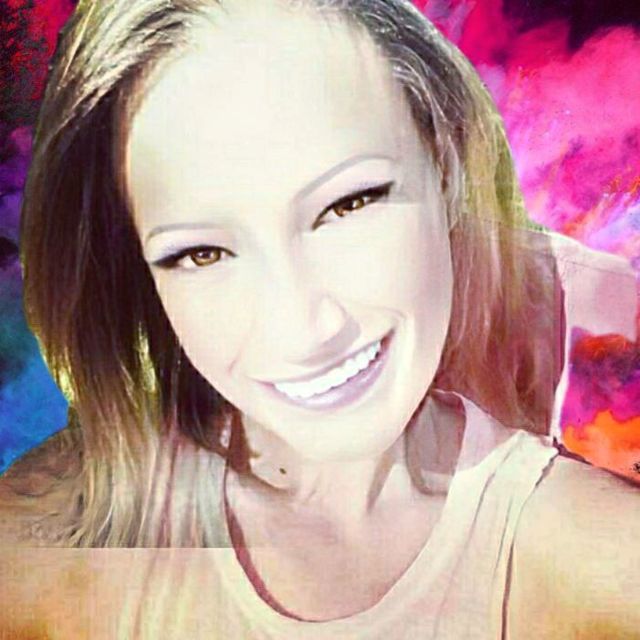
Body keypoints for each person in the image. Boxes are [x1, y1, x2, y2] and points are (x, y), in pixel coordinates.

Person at [0, 0, 638, 637]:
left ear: (444, 161)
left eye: (349, 203)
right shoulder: (48, 539)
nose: (300, 328)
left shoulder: (601, 569)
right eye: (201, 253)